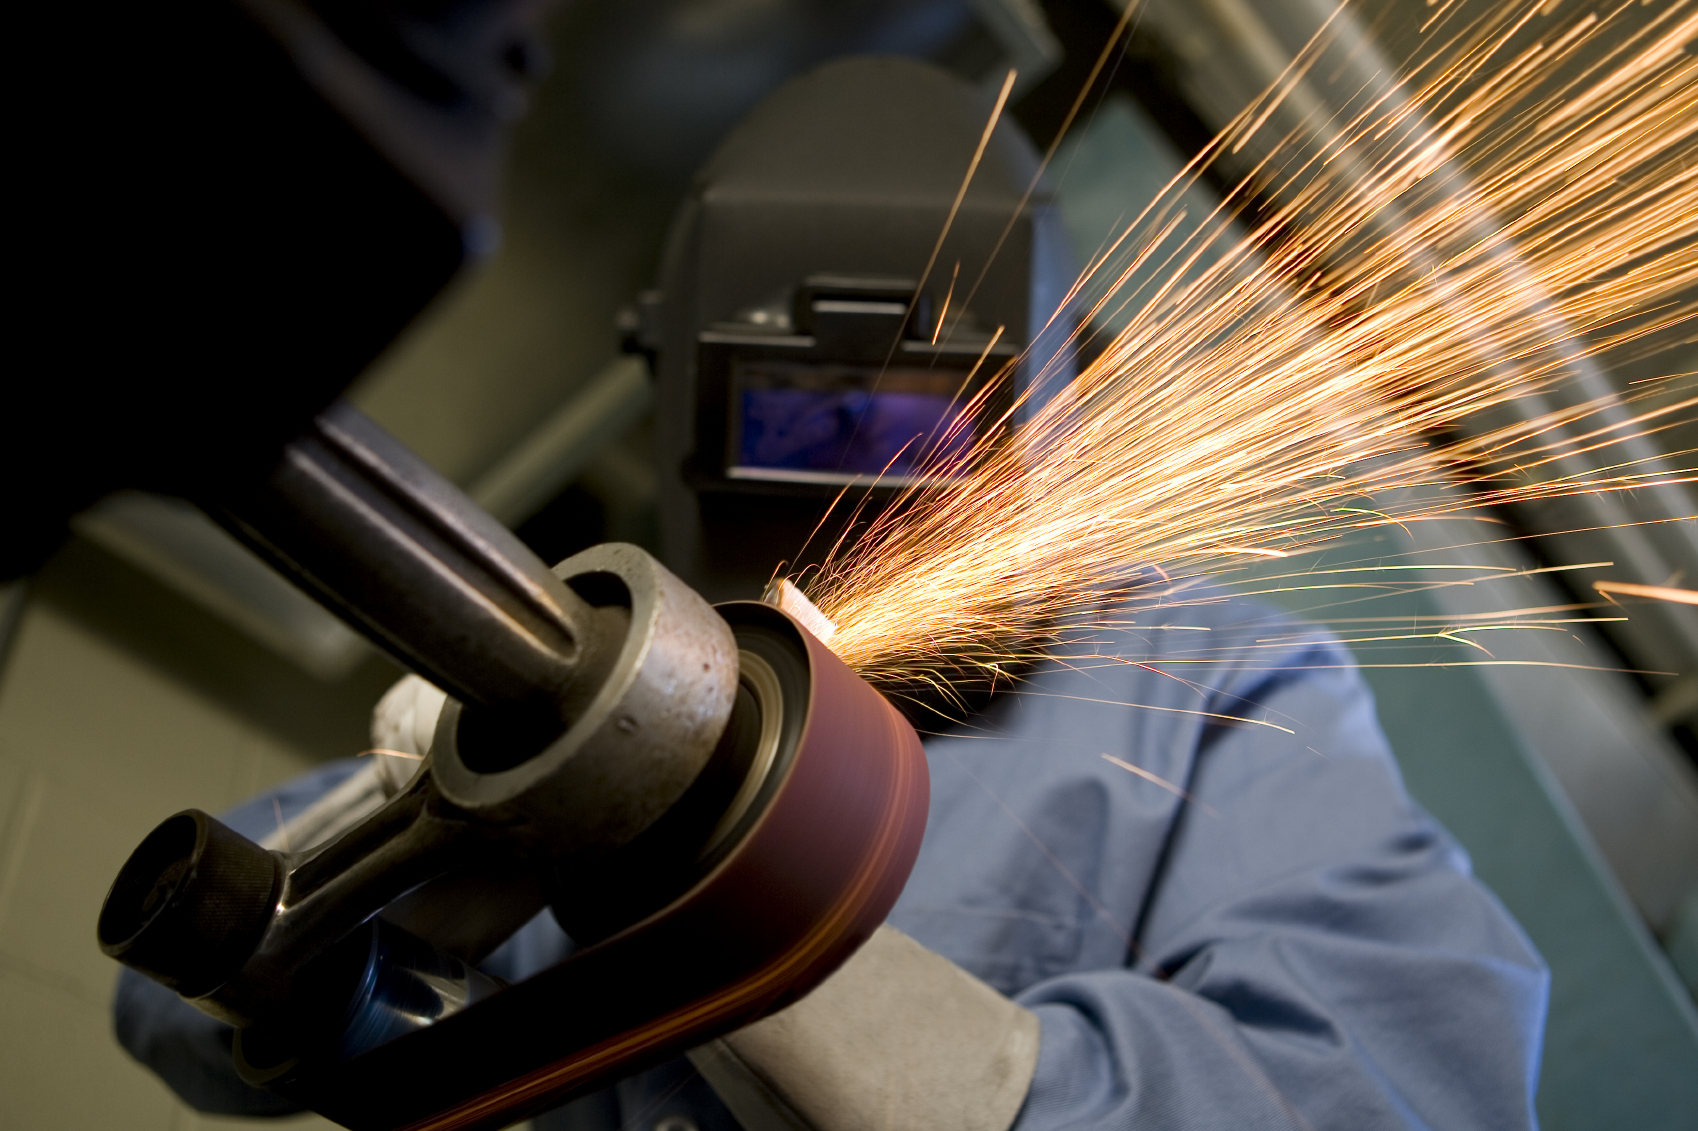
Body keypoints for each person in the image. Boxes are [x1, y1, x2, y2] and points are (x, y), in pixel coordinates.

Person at [114, 57, 1549, 1131]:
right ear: (677, 387)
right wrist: (424, 828)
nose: (853, 497)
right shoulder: (584, 673)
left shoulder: (1210, 688)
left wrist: (746, 901)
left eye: (913, 432)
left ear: (1046, 401)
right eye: (801, 422)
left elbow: (1387, 1094)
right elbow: (169, 994)